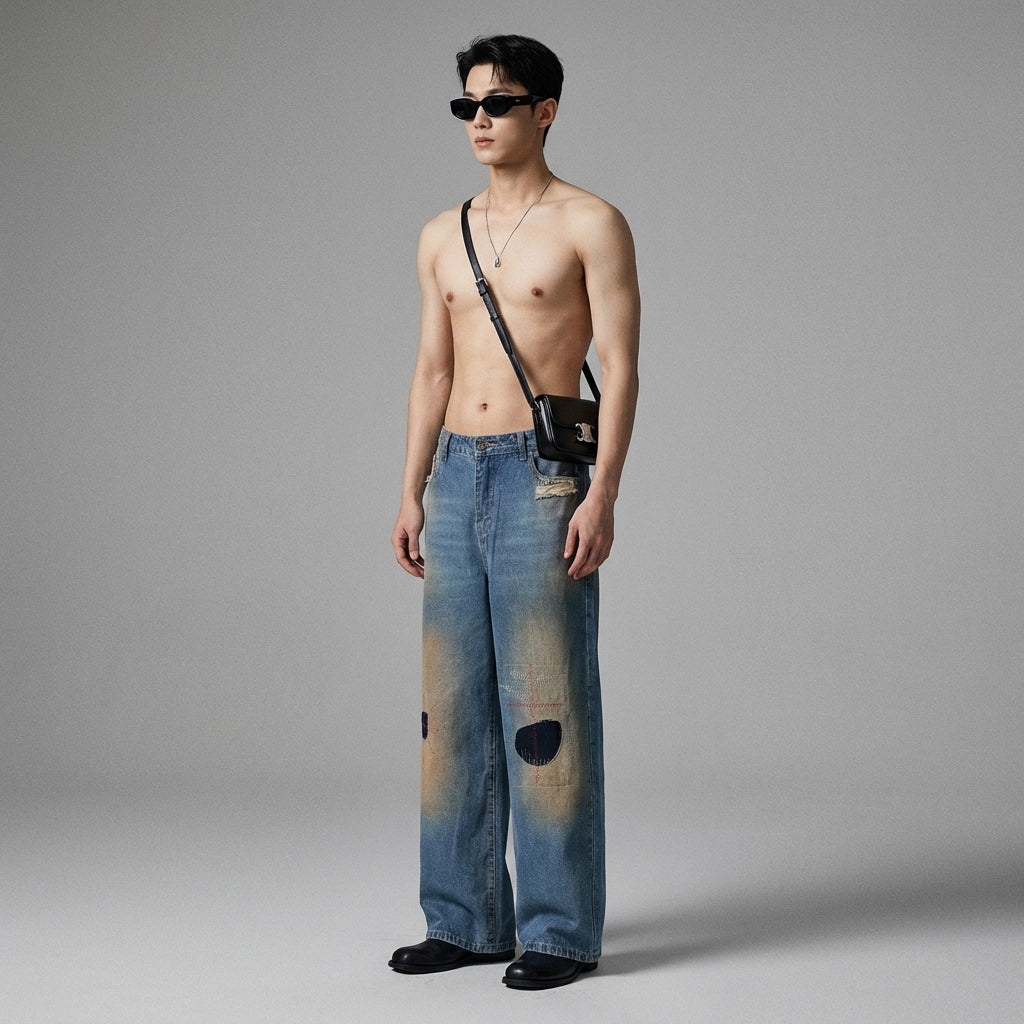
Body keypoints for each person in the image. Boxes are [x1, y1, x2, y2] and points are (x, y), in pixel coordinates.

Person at [388, 34, 640, 991]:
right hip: (456, 475)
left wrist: (603, 491)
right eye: (467, 106)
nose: (480, 120)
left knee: (546, 705)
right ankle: (463, 920)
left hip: (542, 479)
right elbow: (431, 370)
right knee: (449, 711)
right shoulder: (439, 233)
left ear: (546, 111)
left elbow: (620, 368)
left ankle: (560, 932)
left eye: (498, 103)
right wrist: (410, 488)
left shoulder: (590, 222)